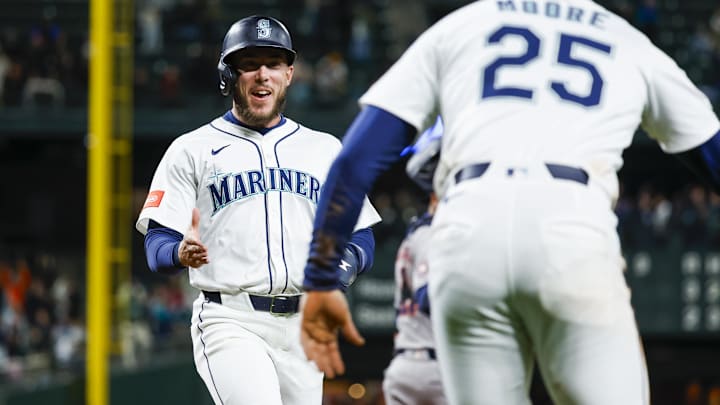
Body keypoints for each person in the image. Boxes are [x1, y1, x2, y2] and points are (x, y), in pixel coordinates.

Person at [300, 1, 720, 404]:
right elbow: (709, 150)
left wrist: (321, 278)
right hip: (571, 222)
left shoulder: (461, 24)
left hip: (465, 227)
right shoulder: (626, 39)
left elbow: (355, 161)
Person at [135, 15, 381, 405]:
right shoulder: (192, 149)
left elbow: (361, 234)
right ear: (228, 75)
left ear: (289, 73)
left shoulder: (325, 149)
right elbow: (157, 241)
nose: (262, 74)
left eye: (273, 63)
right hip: (230, 318)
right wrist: (177, 253)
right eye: (249, 64)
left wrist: (345, 264)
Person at [382, 118, 447, 405]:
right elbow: (427, 295)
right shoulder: (432, 233)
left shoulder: (417, 232)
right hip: (432, 367)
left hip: (409, 360)